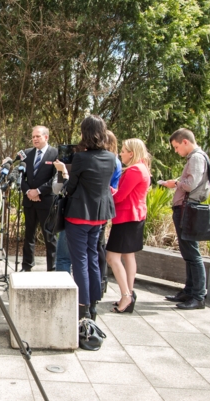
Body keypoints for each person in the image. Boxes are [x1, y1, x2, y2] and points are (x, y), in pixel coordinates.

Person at [63, 115, 116, 321]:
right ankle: (93, 305)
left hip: (78, 215)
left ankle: (82, 307)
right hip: (100, 216)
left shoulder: (81, 158)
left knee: (80, 262)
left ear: (85, 133)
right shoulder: (112, 157)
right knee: (93, 258)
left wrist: (65, 179)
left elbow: (71, 188)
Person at [160, 128, 210, 310]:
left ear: (185, 142)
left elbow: (190, 185)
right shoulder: (195, 157)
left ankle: (198, 296)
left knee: (192, 253)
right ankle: (189, 291)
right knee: (188, 252)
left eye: (176, 147)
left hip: (187, 209)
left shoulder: (196, 157)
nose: (176, 151)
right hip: (185, 209)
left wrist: (175, 183)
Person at [107, 139, 151, 313]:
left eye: (124, 151)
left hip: (126, 217)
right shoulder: (142, 168)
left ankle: (126, 295)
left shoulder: (134, 170)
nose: (121, 153)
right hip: (135, 216)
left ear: (131, 153)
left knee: (112, 257)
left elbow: (120, 197)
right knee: (128, 255)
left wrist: (108, 191)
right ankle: (129, 293)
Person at [20, 126, 59, 271]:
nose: (35, 139)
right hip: (29, 201)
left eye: (38, 136)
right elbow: (21, 177)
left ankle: (52, 268)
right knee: (28, 234)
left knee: (50, 236)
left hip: (47, 202)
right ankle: (27, 265)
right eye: (33, 137)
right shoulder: (27, 154)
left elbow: (57, 177)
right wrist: (28, 191)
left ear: (46, 137)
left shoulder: (55, 153)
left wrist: (39, 191)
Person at [97, 131, 123, 294]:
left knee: (99, 245)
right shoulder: (114, 160)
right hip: (104, 205)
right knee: (99, 244)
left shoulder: (111, 160)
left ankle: (101, 280)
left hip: (102, 205)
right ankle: (101, 280)